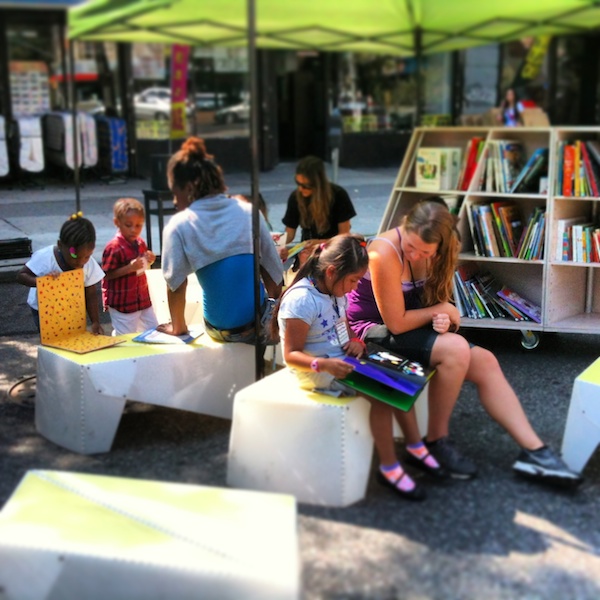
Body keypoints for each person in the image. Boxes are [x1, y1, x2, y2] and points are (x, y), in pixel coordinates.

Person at [346, 198, 583, 488]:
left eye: (425, 252)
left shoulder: (440, 254)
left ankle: (535, 452)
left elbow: (437, 306)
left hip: (405, 329)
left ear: (440, 247)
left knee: (486, 362)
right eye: (411, 247)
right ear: (404, 227)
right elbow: (395, 323)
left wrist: (445, 318)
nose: (416, 255)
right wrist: (440, 312)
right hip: (369, 333)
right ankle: (436, 440)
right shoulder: (383, 252)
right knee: (456, 349)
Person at [272, 234, 427, 501]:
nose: (355, 287)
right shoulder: (301, 301)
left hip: (340, 359)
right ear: (331, 271)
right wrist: (325, 365)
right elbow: (291, 355)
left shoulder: (335, 291)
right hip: (316, 370)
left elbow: (342, 327)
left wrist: (355, 341)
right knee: (383, 396)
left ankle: (417, 449)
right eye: (354, 280)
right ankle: (390, 469)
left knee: (405, 377)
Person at [159, 137, 283, 345]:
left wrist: (178, 328)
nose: (174, 200)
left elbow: (176, 284)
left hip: (220, 331)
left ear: (186, 188)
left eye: (175, 192)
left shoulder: (179, 225)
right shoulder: (248, 212)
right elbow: (274, 278)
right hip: (257, 323)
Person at [17, 212, 105, 334]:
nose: (80, 262)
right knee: (52, 342)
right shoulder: (46, 258)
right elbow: (21, 276)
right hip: (44, 311)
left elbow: (90, 294)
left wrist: (95, 321)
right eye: (74, 257)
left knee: (73, 339)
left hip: (72, 309)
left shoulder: (88, 263)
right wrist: (42, 281)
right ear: (60, 245)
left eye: (86, 257)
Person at [281, 155, 357, 264]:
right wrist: (279, 246)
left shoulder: (338, 195)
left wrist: (321, 243)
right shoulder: (296, 197)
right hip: (306, 255)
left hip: (333, 254)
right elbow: (289, 233)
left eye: (306, 186)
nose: (300, 189)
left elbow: (344, 235)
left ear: (318, 183)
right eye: (298, 183)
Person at [101, 198, 158, 335]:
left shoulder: (140, 243)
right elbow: (106, 274)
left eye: (138, 225)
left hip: (142, 298)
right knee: (126, 337)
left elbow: (142, 266)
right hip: (123, 303)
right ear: (117, 223)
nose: (134, 230)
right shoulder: (113, 247)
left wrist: (150, 259)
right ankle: (119, 343)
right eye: (128, 225)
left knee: (153, 330)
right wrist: (129, 268)